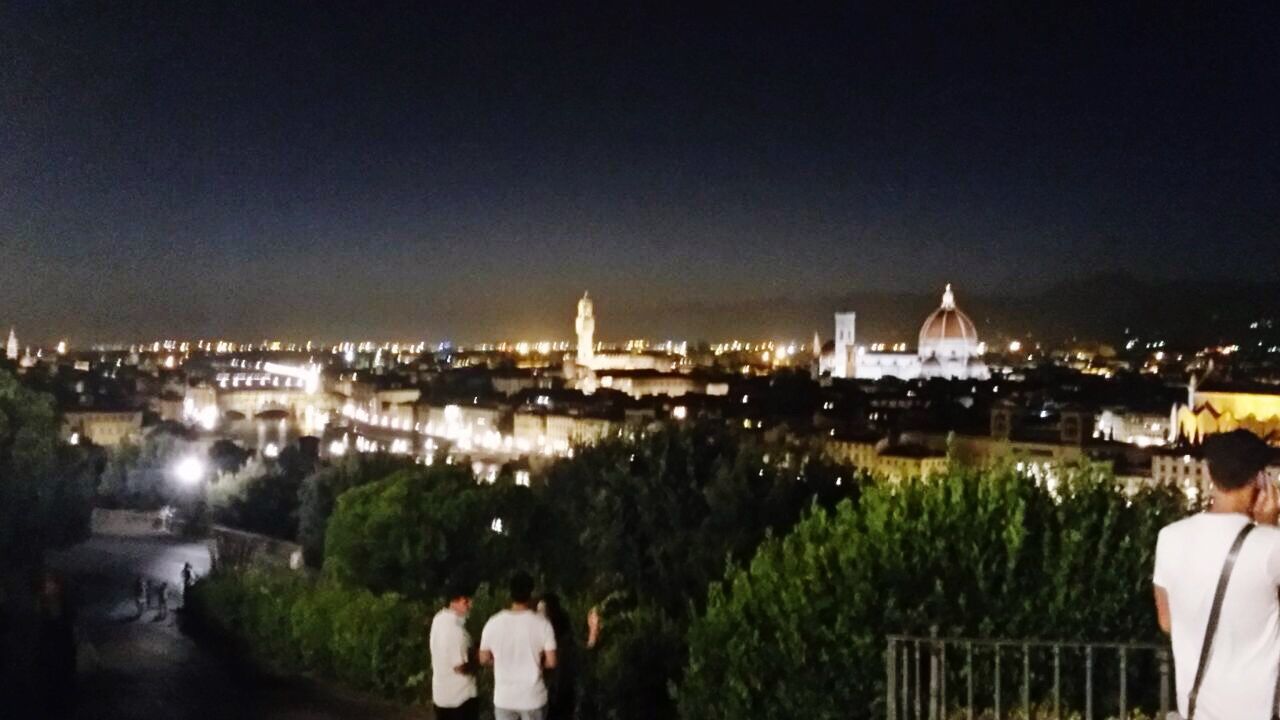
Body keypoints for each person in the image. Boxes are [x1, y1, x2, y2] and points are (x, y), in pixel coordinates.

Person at [1154, 429, 1280, 720]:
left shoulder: (1169, 538)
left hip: (1198, 712)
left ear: (1210, 475)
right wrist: (1269, 526)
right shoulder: (1271, 545)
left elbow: (1167, 621)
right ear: (1259, 479)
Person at [480, 571, 557, 720]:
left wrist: (497, 661)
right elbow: (552, 662)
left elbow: (483, 658)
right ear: (531, 593)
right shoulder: (542, 624)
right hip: (533, 697)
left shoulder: (493, 622)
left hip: (504, 698)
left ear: (510, 593)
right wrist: (539, 663)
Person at [430, 581, 478, 720]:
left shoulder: (438, 619)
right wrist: (479, 660)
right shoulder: (455, 630)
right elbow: (460, 667)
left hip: (441, 696)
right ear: (454, 601)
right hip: (460, 699)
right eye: (465, 602)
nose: (470, 605)